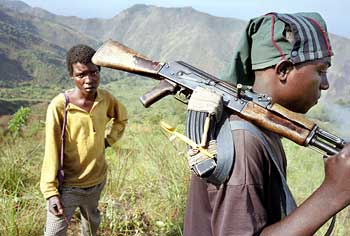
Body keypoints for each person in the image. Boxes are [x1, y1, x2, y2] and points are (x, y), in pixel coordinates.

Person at [183, 12, 350, 236]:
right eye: (320, 71)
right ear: (283, 70)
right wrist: (333, 192)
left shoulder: (260, 129)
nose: (326, 85)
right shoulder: (244, 141)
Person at [40, 44, 128, 236]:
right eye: (81, 75)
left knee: (90, 225)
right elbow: (51, 149)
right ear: (72, 76)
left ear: (99, 71)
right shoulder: (60, 106)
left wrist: (108, 140)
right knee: (54, 232)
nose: (89, 80)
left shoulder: (105, 99)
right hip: (68, 186)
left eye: (93, 72)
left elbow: (121, 118)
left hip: (96, 181)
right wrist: (50, 192)